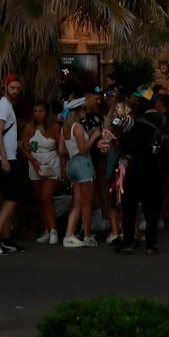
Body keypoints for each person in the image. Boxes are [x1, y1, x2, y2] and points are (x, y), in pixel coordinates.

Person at [114, 97, 165, 255]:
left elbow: (128, 146)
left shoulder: (135, 124)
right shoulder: (159, 122)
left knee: (129, 206)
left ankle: (128, 241)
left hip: (136, 167)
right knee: (151, 209)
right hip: (154, 167)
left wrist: (119, 142)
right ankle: (151, 244)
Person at [0, 77, 28, 253]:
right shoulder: (4, 105)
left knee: (8, 199)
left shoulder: (6, 106)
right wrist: (4, 157)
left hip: (6, 155)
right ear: (5, 87)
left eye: (18, 88)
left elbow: (3, 133)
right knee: (12, 198)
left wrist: (18, 145)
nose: (16, 91)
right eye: (13, 87)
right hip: (5, 158)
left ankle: (4, 238)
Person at [60, 94, 97, 247]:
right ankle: (87, 235)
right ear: (78, 111)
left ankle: (69, 233)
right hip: (83, 164)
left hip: (71, 164)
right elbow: (83, 149)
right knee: (87, 203)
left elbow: (62, 150)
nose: (86, 112)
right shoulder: (78, 127)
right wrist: (94, 136)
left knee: (77, 201)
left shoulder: (65, 129)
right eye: (83, 110)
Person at [24, 102, 61, 244]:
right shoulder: (29, 126)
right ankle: (46, 229)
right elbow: (25, 148)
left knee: (46, 197)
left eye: (40, 111)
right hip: (35, 162)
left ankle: (53, 230)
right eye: (35, 111)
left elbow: (60, 146)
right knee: (40, 198)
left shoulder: (54, 127)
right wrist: (33, 161)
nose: (37, 114)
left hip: (51, 162)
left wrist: (63, 167)